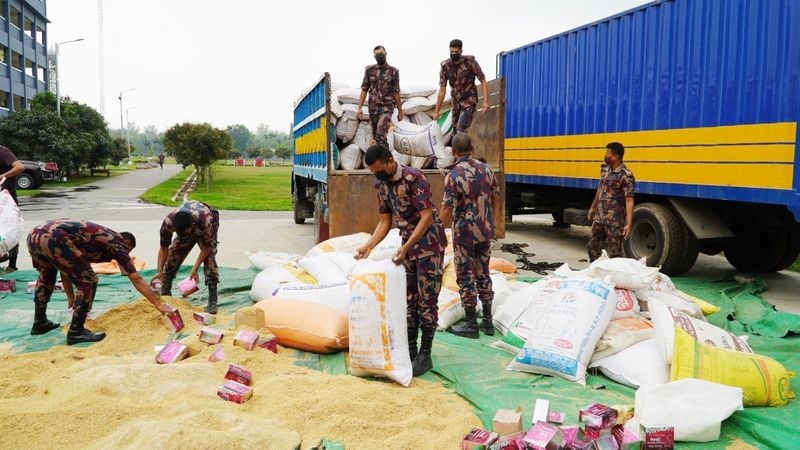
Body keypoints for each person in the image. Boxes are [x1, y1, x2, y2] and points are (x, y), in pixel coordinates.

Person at [355, 144, 446, 377]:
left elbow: (427, 217)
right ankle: (411, 350)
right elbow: (385, 222)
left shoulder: (414, 178)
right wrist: (368, 246)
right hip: (408, 249)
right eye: (373, 172)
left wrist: (406, 247)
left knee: (427, 301)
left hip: (429, 247)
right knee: (409, 301)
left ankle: (425, 354)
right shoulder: (381, 185)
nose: (377, 175)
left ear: (389, 161)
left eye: (379, 170)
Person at [27, 220, 170, 344]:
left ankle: (40, 322)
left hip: (35, 235)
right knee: (89, 279)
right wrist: (158, 303)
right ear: (126, 243)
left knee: (46, 276)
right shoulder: (117, 243)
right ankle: (76, 331)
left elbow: (66, 271)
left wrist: (71, 297)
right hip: (56, 237)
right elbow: (135, 278)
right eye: (128, 251)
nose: (125, 256)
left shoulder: (96, 240)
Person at [439, 133, 501, 338]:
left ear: (454, 152)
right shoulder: (486, 169)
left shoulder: (453, 175)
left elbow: (447, 208)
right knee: (483, 272)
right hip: (485, 231)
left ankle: (471, 325)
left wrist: (438, 229)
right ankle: (488, 322)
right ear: (472, 148)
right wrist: (492, 222)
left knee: (465, 275)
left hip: (464, 233)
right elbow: (496, 196)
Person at [153, 201, 221, 314]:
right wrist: (159, 271)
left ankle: (212, 299)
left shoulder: (206, 221)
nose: (183, 235)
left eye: (186, 232)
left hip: (205, 225)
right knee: (173, 255)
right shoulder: (169, 222)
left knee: (210, 260)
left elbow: (207, 248)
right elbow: (164, 248)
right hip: (190, 224)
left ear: (192, 226)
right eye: (179, 232)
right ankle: (166, 292)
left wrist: (194, 268)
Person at [587, 142, 635, 261]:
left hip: (614, 221)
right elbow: (600, 188)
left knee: (615, 253)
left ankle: (614, 277)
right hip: (600, 217)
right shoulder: (605, 169)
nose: (605, 155)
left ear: (616, 157)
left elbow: (629, 199)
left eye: (608, 153)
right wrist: (593, 207)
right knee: (592, 248)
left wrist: (629, 223)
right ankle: (595, 272)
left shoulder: (626, 176)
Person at [433, 39, 490, 133]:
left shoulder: (470, 62)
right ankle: (467, 148)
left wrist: (485, 101)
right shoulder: (445, 66)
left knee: (461, 129)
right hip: (456, 102)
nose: (453, 54)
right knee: (455, 132)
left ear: (461, 51)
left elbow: (483, 80)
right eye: (451, 52)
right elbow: (442, 90)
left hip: (469, 99)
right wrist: (436, 111)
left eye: (456, 52)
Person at [356, 45, 404, 146]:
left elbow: (396, 93)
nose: (379, 56)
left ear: (386, 54)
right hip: (373, 108)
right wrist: (359, 108)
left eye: (381, 54)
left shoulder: (394, 71)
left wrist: (400, 111)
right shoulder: (369, 70)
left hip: (387, 107)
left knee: (380, 135)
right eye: (377, 55)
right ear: (374, 56)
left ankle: (385, 161)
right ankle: (386, 159)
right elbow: (364, 89)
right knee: (378, 139)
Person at [0, 145, 25, 274]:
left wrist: (3, 175)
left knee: (10, 230)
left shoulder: (3, 152)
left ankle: (12, 265)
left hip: (7, 200)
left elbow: (20, 167)